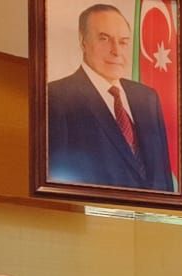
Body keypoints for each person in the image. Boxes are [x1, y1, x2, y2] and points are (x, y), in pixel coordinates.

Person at [47, 4, 174, 192]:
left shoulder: (148, 98)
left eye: (123, 42)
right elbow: (58, 182)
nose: (116, 51)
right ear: (83, 41)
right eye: (104, 39)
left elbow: (163, 176)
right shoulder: (56, 97)